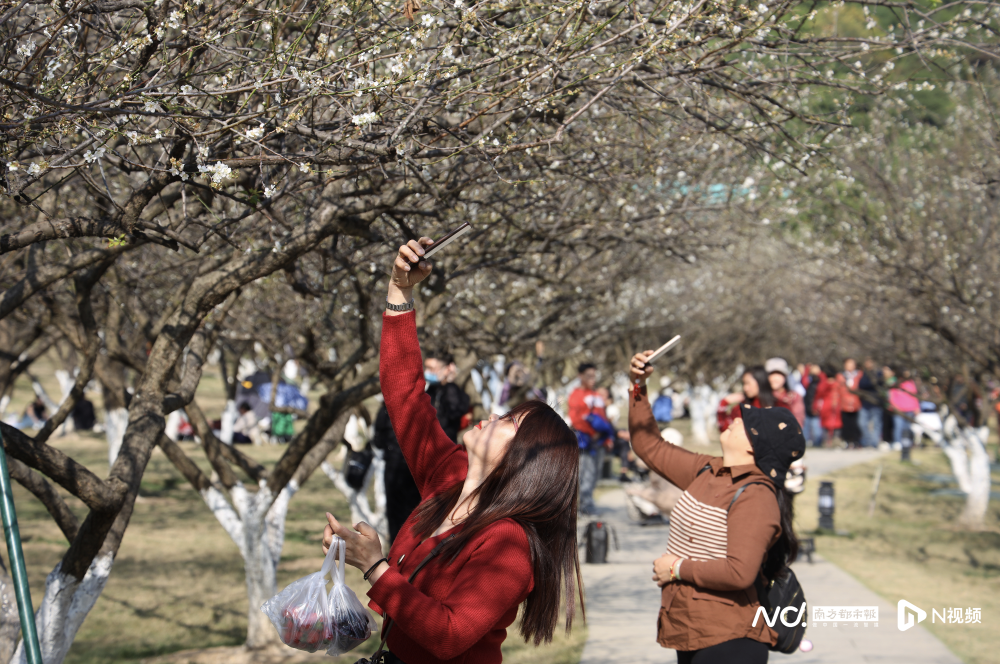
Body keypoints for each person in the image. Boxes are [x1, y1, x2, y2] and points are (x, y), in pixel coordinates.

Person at [321, 238, 582, 664]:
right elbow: (404, 393)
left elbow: (450, 634)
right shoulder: (449, 477)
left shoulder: (508, 544)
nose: (493, 416)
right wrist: (400, 293)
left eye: (509, 423)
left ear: (524, 463)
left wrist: (377, 568)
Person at [628, 350, 804, 663]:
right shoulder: (709, 470)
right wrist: (639, 387)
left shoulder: (756, 496)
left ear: (755, 446)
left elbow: (739, 573)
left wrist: (676, 568)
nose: (736, 418)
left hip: (730, 638)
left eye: (746, 422)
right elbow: (649, 446)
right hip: (689, 627)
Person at [569, 362, 609, 515]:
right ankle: (584, 506)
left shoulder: (597, 395)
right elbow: (576, 419)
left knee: (595, 474)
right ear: (580, 376)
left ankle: (588, 502)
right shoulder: (576, 395)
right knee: (585, 472)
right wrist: (591, 432)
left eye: (594, 376)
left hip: (599, 442)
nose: (593, 379)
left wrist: (607, 438)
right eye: (589, 376)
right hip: (585, 441)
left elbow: (603, 418)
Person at [423, 351, 470, 443]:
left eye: (431, 368)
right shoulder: (432, 389)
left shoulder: (451, 390)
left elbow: (453, 413)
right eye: (426, 367)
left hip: (444, 445)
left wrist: (450, 382)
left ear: (446, 369)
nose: (426, 372)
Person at [716, 366, 775, 431]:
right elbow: (725, 428)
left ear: (760, 381)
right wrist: (724, 403)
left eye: (748, 383)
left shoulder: (778, 404)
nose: (745, 388)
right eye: (744, 384)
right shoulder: (740, 408)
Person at [765, 357, 805, 426]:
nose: (775, 378)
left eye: (779, 374)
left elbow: (798, 422)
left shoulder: (794, 397)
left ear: (785, 376)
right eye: (771, 374)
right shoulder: (761, 396)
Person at [889, 369, 920, 452]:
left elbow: (915, 396)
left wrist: (917, 407)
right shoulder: (895, 383)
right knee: (898, 426)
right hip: (898, 409)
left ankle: (906, 443)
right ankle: (897, 443)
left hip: (910, 409)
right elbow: (891, 396)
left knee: (907, 427)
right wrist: (895, 406)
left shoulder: (911, 383)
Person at [857, 359, 884, 448]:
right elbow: (861, 385)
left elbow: (878, 383)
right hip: (865, 403)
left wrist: (871, 383)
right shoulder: (863, 374)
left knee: (876, 424)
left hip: (876, 402)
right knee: (862, 423)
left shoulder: (878, 373)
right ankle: (868, 441)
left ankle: (874, 443)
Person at [814, 366, 842, 446]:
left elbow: (818, 395)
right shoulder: (837, 383)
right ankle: (835, 440)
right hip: (835, 404)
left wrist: (816, 406)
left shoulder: (823, 384)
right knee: (836, 424)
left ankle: (826, 441)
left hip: (825, 405)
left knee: (826, 424)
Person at [839, 358, 863, 448]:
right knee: (846, 423)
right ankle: (846, 440)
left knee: (856, 423)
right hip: (844, 403)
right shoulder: (841, 376)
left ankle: (856, 441)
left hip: (856, 403)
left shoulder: (859, 375)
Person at [801, 364, 824, 447]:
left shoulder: (821, 381)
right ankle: (805, 443)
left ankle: (818, 443)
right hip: (807, 408)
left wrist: (819, 372)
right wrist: (807, 369)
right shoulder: (810, 381)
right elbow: (804, 381)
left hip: (815, 409)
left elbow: (823, 381)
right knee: (806, 428)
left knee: (816, 429)